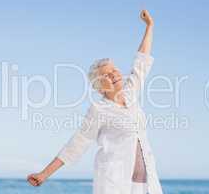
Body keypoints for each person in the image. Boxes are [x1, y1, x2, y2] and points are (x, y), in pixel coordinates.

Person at [27, 10, 163, 194]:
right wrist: (44, 174)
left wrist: (149, 27)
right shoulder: (99, 109)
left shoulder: (131, 94)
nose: (114, 74)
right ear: (99, 86)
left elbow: (142, 63)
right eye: (107, 74)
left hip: (146, 183)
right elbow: (77, 143)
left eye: (114, 70)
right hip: (115, 183)